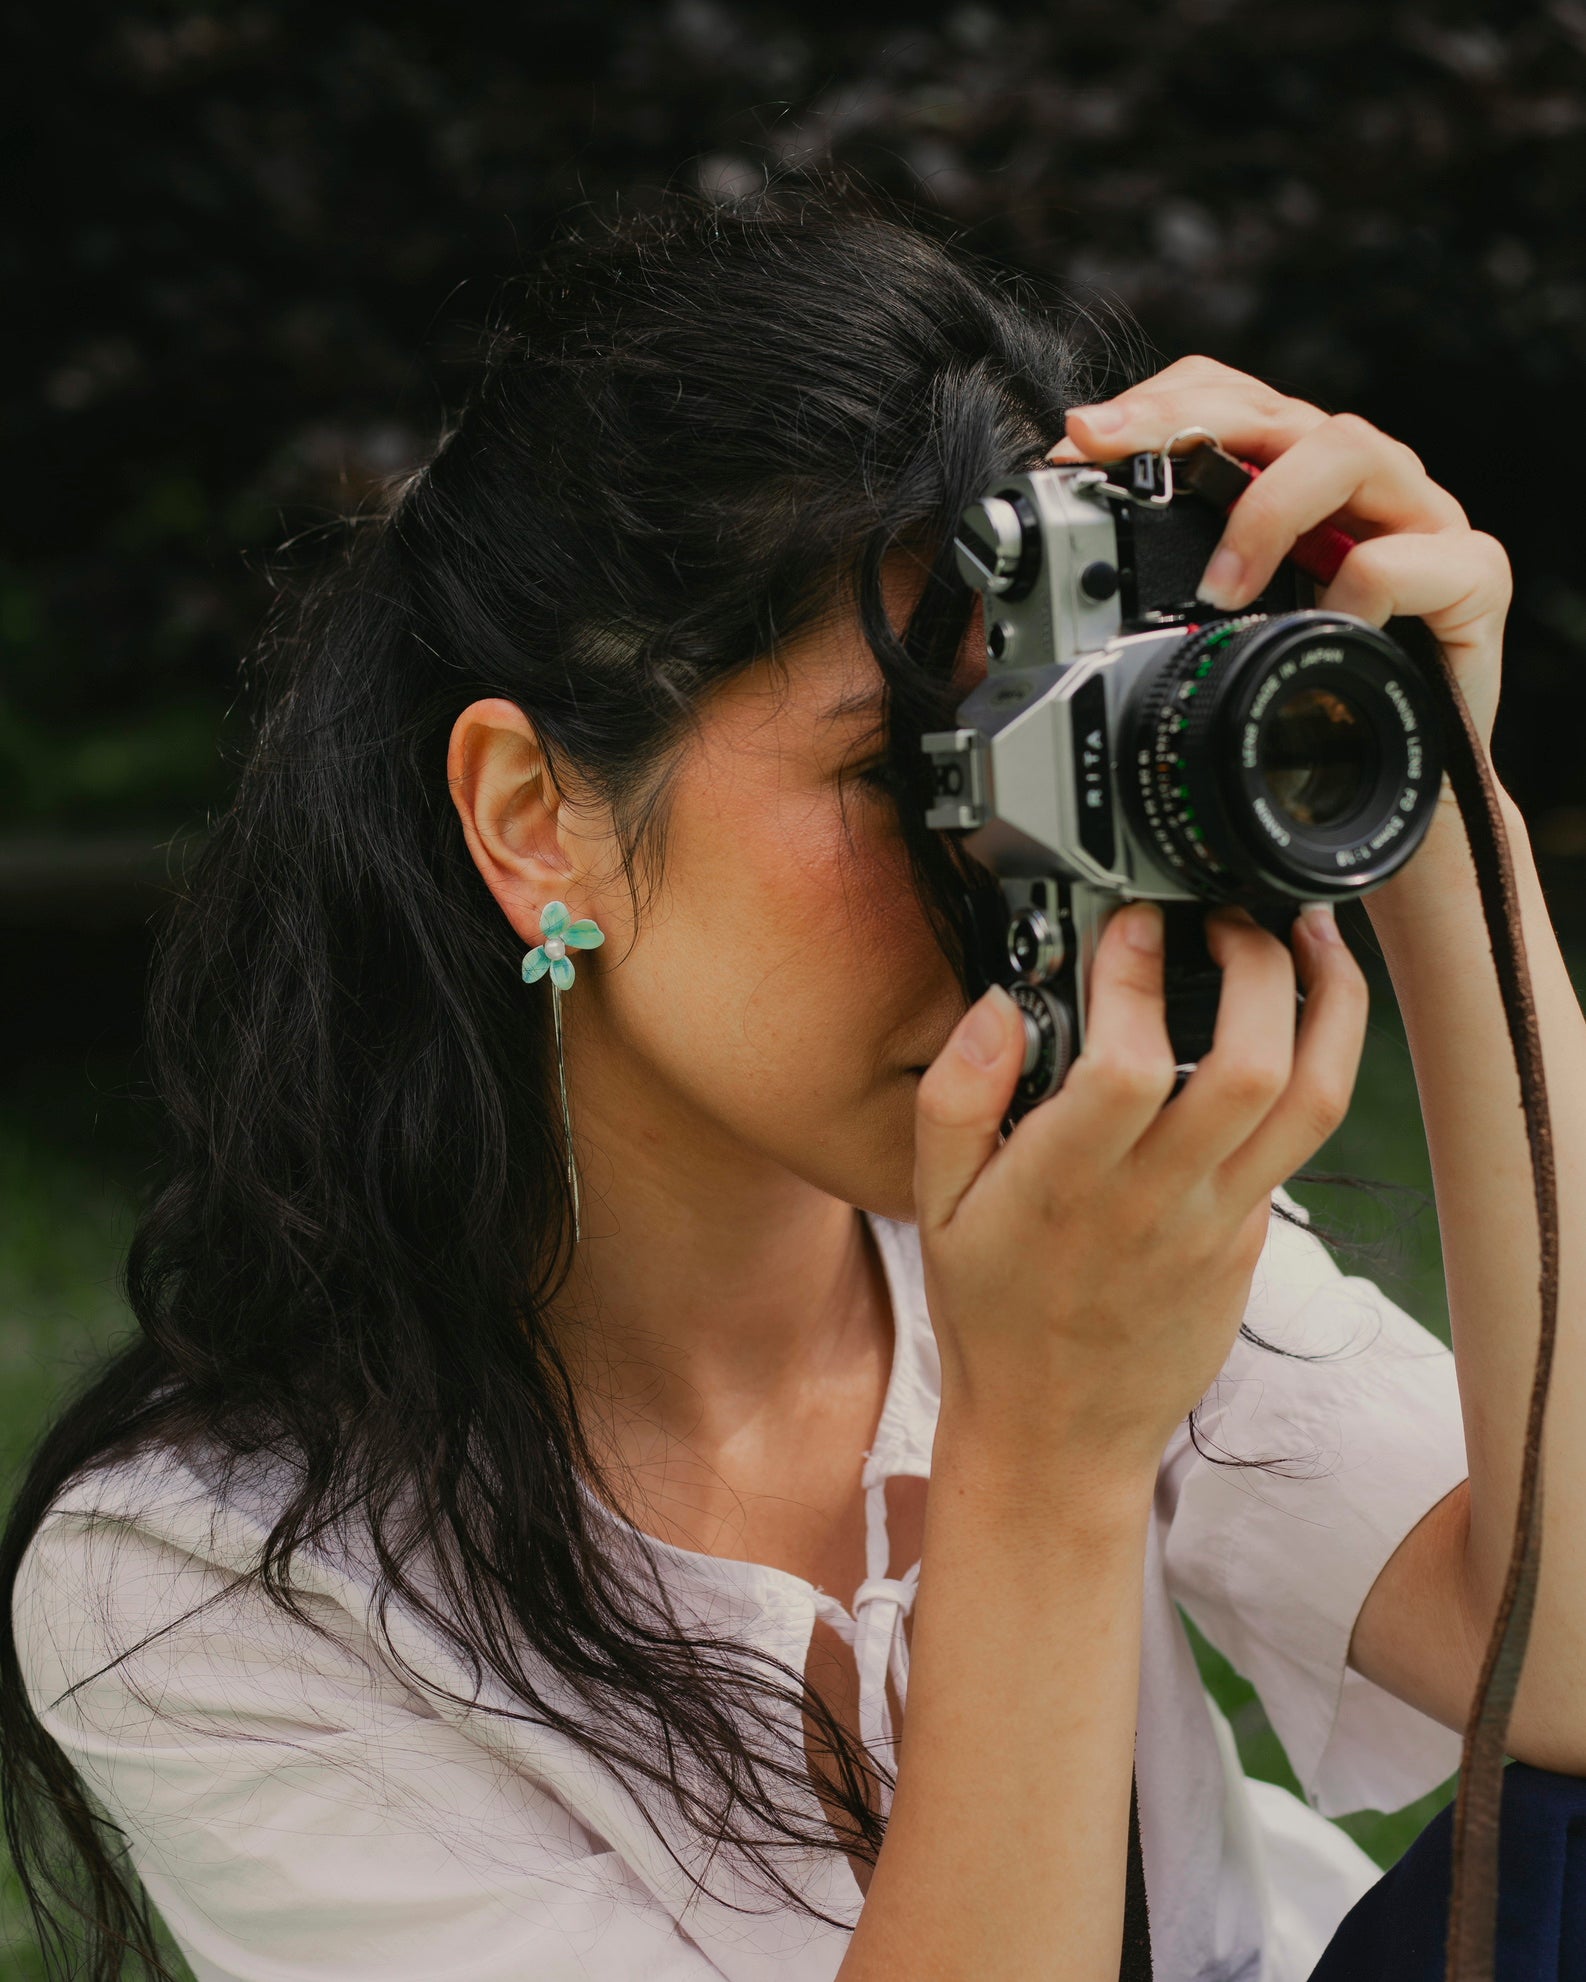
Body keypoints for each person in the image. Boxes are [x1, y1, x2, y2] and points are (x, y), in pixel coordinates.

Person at [4, 176, 1584, 1982]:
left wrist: (1439, 823)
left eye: (1049, 762)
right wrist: (1045, 1453)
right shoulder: (207, 1584)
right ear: (535, 820)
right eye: (911, 777)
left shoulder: (1063, 1217)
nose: (1003, 881)